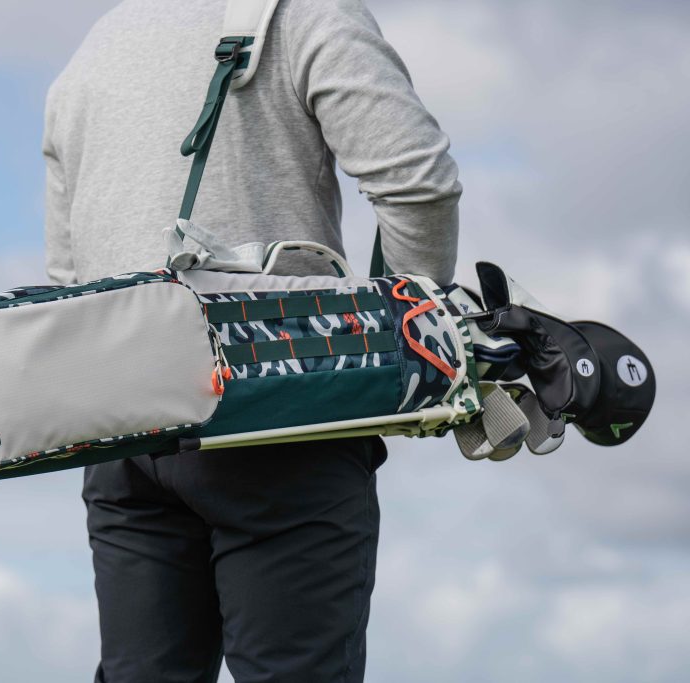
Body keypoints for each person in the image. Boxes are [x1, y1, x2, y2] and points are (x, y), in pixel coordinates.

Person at [42, 0, 461, 680]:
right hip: (278, 406)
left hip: (121, 427)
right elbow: (419, 183)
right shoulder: (305, 13)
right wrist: (409, 346)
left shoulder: (95, 47)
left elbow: (66, 278)